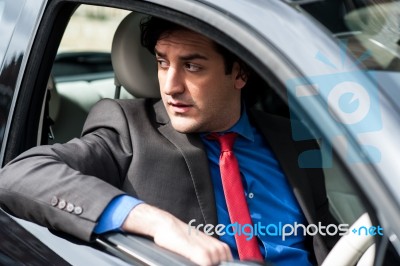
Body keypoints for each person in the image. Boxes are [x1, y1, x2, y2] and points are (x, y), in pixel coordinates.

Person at [0, 16, 338, 266]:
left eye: (191, 67)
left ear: (239, 73)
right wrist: (160, 224)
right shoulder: (128, 127)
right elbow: (20, 174)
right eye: (163, 63)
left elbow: (329, 238)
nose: (170, 85)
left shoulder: (294, 139)